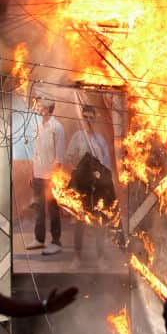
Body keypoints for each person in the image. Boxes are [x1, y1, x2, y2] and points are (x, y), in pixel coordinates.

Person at [64, 104, 114, 264]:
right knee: (80, 221)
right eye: (85, 117)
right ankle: (77, 257)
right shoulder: (78, 137)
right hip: (82, 186)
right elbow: (69, 156)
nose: (88, 120)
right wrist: (79, 172)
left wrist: (100, 177)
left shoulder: (100, 141)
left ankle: (100, 257)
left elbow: (106, 163)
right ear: (82, 119)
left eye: (91, 117)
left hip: (98, 187)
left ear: (95, 119)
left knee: (99, 220)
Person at [29, 96, 65, 255]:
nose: (38, 107)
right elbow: (35, 153)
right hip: (37, 174)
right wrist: (33, 173)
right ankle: (39, 239)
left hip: (51, 177)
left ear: (49, 108)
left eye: (41, 106)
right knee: (39, 208)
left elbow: (60, 156)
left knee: (52, 209)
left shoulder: (57, 127)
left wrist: (55, 179)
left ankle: (56, 242)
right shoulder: (37, 126)